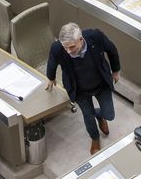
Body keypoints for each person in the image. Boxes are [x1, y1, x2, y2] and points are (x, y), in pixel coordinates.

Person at [46, 23, 120, 155]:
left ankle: (100, 115)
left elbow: (112, 50)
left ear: (80, 39)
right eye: (65, 47)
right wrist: (51, 77)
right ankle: (95, 139)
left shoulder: (96, 36)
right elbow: (52, 61)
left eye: (71, 47)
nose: (68, 51)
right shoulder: (57, 48)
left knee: (110, 114)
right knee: (88, 116)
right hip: (79, 89)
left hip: (100, 83)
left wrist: (116, 70)